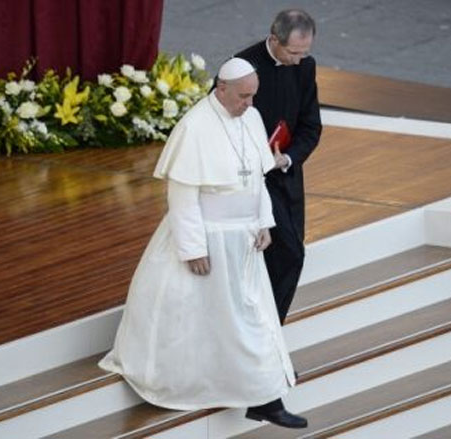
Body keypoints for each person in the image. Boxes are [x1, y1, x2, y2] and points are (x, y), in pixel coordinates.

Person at [99, 58, 306, 428]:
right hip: (208, 243)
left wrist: (263, 221)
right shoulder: (195, 126)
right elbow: (182, 196)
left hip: (243, 242)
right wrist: (193, 248)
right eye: (243, 96)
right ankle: (252, 396)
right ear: (221, 88)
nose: (250, 104)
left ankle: (263, 396)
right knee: (206, 322)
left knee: (250, 317)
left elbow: (257, 179)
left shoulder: (251, 117)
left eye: (253, 96)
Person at [236, 9, 321, 426]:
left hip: (286, 179)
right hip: (250, 185)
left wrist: (286, 158)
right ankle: (261, 367)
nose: (299, 60)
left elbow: (310, 127)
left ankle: (268, 355)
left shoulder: (305, 67)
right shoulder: (242, 68)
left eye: (304, 53)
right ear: (274, 39)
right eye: (293, 52)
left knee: (289, 263)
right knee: (284, 259)